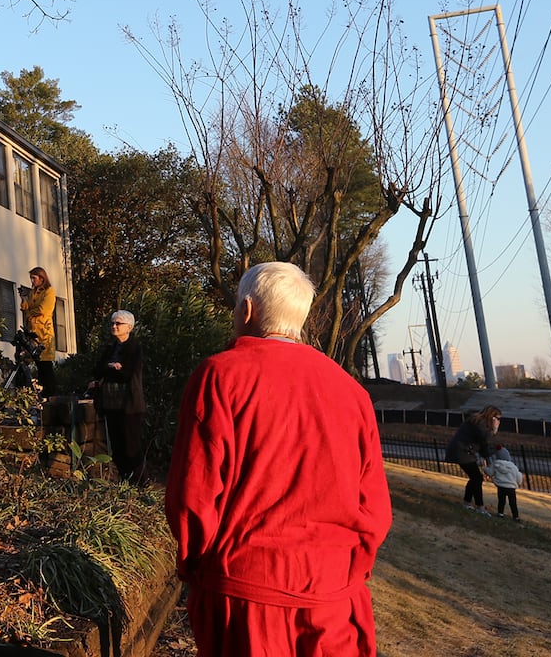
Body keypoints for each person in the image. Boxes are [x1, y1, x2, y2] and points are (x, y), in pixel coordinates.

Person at [165, 262, 392, 657]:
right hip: (335, 599)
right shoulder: (353, 393)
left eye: (236, 307)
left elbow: (194, 495)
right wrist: (346, 572)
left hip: (247, 594)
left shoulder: (220, 376)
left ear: (248, 310)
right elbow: (374, 506)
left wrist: (196, 569)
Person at [90, 309, 145, 484]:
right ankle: (123, 480)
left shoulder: (135, 348)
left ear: (129, 327)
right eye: (112, 323)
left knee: (132, 445)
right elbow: (97, 370)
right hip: (111, 403)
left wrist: (113, 369)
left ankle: (139, 483)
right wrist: (112, 367)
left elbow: (128, 373)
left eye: (118, 323)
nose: (114, 326)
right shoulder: (110, 349)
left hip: (129, 405)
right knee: (117, 445)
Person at [446, 405, 501, 513]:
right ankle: (479, 506)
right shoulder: (480, 424)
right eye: (498, 419)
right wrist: (494, 430)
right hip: (462, 452)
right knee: (477, 478)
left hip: (464, 451)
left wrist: (486, 457)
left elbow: (482, 444)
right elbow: (485, 439)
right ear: (492, 417)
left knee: (476, 478)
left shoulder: (478, 422)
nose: (499, 421)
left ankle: (467, 502)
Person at [19, 267, 57, 397]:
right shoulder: (33, 292)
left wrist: (30, 312)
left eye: (34, 278)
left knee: (45, 366)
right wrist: (24, 298)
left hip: (44, 333)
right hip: (33, 332)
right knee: (34, 365)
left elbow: (43, 309)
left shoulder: (49, 291)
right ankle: (40, 395)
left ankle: (51, 395)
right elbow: (25, 308)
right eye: (31, 278)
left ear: (42, 278)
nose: (32, 281)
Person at [484, 445, 522, 521]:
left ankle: (500, 513)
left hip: (501, 486)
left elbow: (490, 473)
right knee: (513, 502)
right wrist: (519, 482)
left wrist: (485, 469)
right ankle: (515, 516)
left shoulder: (495, 464)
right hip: (511, 488)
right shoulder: (513, 467)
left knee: (501, 501)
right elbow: (518, 476)